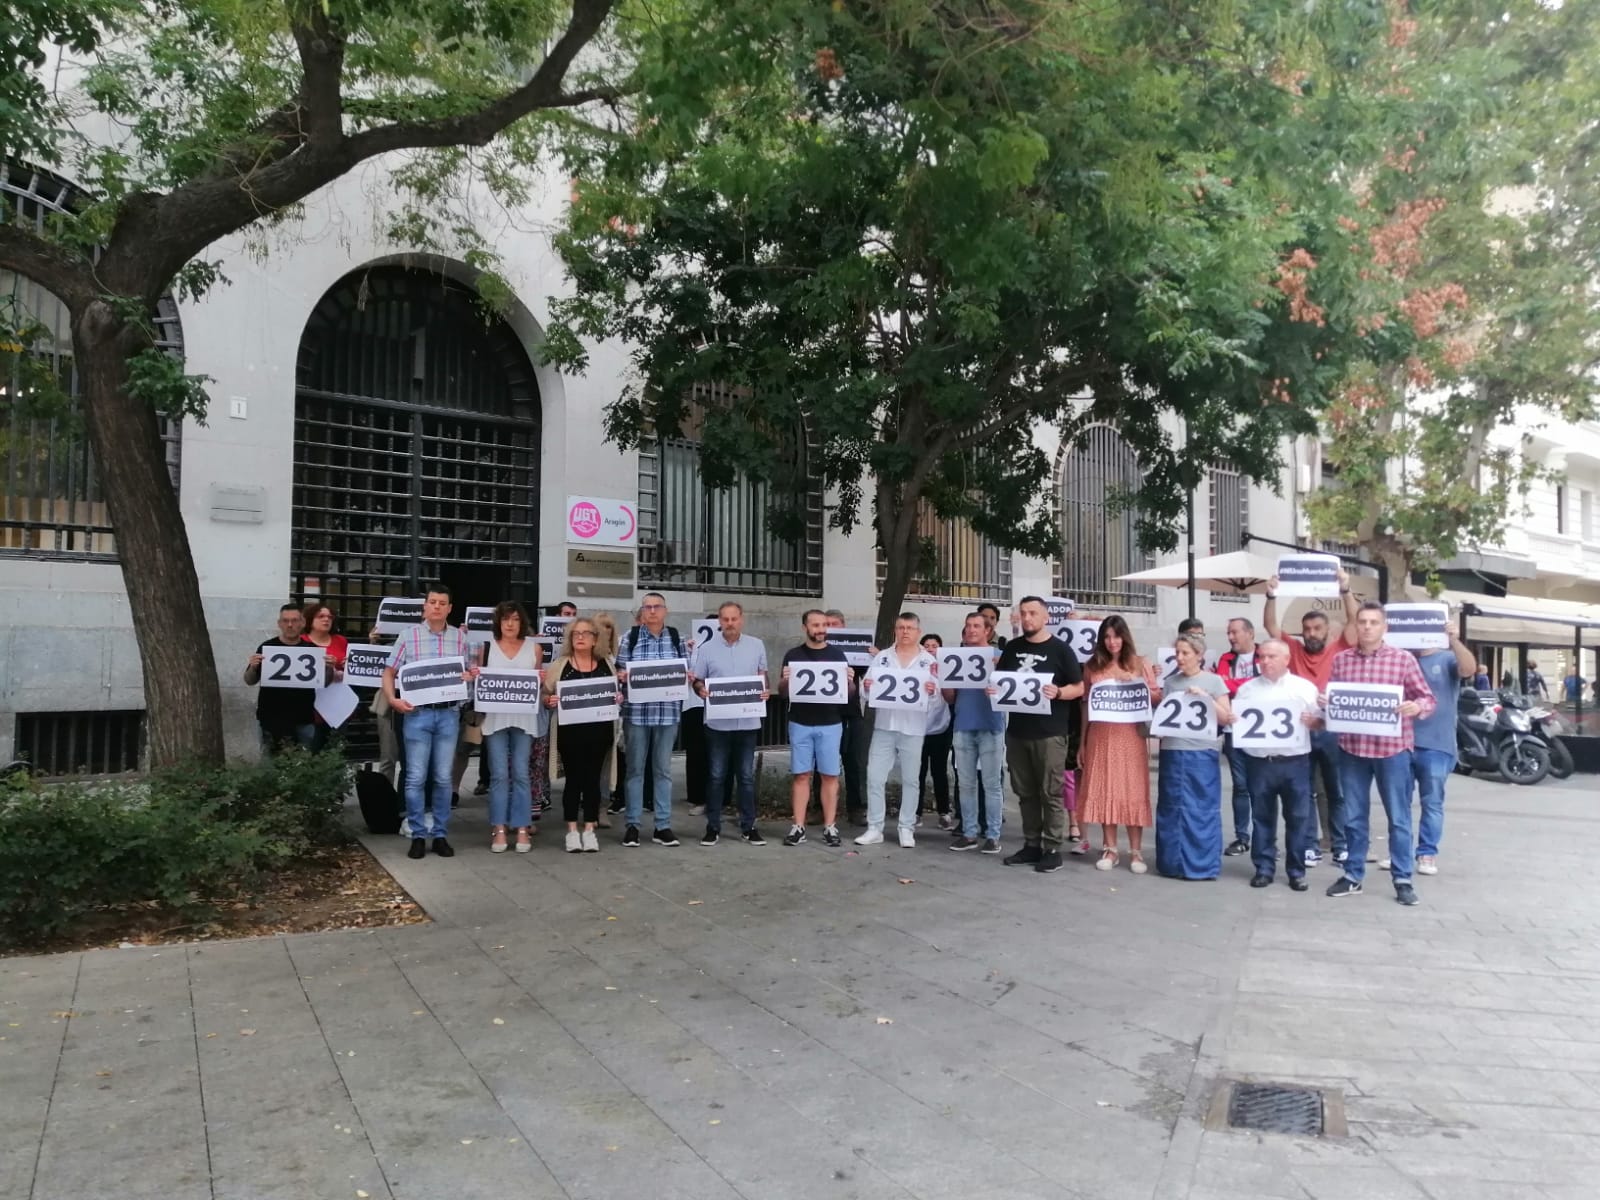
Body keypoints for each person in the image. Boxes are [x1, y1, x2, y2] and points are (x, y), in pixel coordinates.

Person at [1320, 601, 1438, 905]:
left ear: (1384, 627)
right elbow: (1337, 701)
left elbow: (1427, 698)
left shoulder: (1403, 660)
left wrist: (1417, 707)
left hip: (1392, 750)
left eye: (1374, 622)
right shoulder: (1342, 661)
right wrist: (1326, 703)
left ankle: (1402, 878)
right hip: (1353, 748)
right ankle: (1353, 875)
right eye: (1363, 622)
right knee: (1354, 816)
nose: (1367, 627)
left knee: (1398, 817)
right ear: (1356, 626)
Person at [1263, 566, 1360, 866]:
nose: (1311, 634)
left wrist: (1345, 590)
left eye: (1317, 629)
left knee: (1335, 790)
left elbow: (1355, 621)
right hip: (1300, 729)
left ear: (1327, 631)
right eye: (1307, 629)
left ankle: (1340, 843)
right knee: (1304, 791)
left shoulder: (1339, 647)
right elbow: (1270, 627)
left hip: (1332, 729)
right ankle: (1309, 845)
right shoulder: (1292, 649)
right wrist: (1271, 594)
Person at [381, 583, 478, 860]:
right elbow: (389, 672)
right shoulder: (408, 636)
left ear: (449, 608)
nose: (436, 606)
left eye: (442, 603)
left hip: (448, 714)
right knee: (415, 777)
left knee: (443, 778)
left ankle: (440, 834)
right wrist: (393, 699)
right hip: (416, 714)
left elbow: (468, 673)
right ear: (425, 606)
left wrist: (469, 678)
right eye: (432, 602)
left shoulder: (461, 639)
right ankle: (417, 834)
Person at [994, 596, 1085, 872]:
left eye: (1033, 613)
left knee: (1051, 792)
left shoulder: (1061, 650)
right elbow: (1002, 682)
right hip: (1019, 732)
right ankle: (1031, 844)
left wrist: (1059, 692)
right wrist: (994, 690)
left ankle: (1052, 847)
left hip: (1050, 734)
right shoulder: (1012, 648)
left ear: (1046, 618)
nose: (1027, 618)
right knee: (1025, 792)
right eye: (1023, 613)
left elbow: (1079, 687)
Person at [1381, 623, 1475, 877]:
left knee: (1431, 802)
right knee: (1398, 802)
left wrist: (1454, 640)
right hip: (1401, 742)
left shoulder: (1446, 658)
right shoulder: (1402, 658)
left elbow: (1468, 669)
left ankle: (1426, 852)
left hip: (1437, 744)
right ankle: (1399, 853)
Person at [1233, 639, 1320, 891]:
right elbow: (1237, 724)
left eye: (1271, 656)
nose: (1265, 661)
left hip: (1295, 762)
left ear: (1286, 659)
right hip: (1260, 762)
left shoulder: (1303, 688)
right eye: (1262, 657)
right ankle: (1263, 868)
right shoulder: (1247, 689)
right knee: (1261, 817)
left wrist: (1313, 722)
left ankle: (1296, 870)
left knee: (1298, 818)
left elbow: (1320, 723)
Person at [1078, 615, 1160, 874]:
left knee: (1132, 789)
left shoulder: (1140, 663)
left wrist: (1142, 687)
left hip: (1131, 735)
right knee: (1105, 788)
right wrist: (1082, 741)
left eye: (1116, 635)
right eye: (1107, 636)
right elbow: (1085, 706)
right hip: (1101, 735)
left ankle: (1136, 851)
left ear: (1125, 637)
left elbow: (1157, 696)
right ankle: (1110, 848)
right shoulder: (1092, 666)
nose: (1112, 642)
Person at [1155, 632, 1233, 880]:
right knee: (1171, 807)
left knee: (1201, 809)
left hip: (1201, 752)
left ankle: (1202, 864)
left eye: (1185, 653)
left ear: (1199, 655)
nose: (1179, 657)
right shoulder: (1170, 682)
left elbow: (1227, 718)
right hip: (1173, 751)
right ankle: (1171, 862)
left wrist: (1206, 698)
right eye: (1177, 652)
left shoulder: (1214, 682)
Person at [692, 601, 771, 846]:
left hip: (747, 722)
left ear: (741, 619)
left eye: (733, 618)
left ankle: (749, 827)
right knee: (716, 776)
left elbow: (763, 676)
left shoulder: (756, 645)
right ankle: (713, 827)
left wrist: (765, 690)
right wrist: (700, 690)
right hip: (718, 724)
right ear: (719, 621)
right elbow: (697, 681)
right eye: (725, 619)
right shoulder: (706, 649)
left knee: (746, 777)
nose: (729, 623)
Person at [857, 613, 939, 847]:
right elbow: (866, 692)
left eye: (910, 628)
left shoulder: (928, 660)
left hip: (913, 728)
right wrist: (866, 686)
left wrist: (932, 691)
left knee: (911, 780)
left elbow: (936, 700)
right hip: (885, 726)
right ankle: (875, 827)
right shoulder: (882, 657)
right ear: (895, 630)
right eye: (901, 627)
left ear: (918, 632)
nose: (905, 632)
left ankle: (906, 827)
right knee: (874, 777)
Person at [615, 592, 689, 848]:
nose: (653, 611)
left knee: (663, 771)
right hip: (636, 714)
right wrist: (622, 676)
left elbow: (686, 671)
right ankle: (633, 825)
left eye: (657, 607)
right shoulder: (629, 639)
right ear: (642, 612)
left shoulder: (677, 639)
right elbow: (618, 671)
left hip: (667, 713)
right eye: (648, 607)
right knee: (635, 770)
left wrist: (687, 677)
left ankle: (663, 826)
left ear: (665, 611)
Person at [779, 609, 855, 847]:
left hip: (831, 723)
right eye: (815, 625)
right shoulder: (793, 655)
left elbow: (848, 695)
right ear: (805, 627)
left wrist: (851, 682)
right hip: (800, 722)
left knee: (830, 775)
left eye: (823, 625)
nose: (820, 629)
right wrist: (784, 680)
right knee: (801, 775)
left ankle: (830, 826)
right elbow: (783, 693)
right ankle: (798, 825)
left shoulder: (837, 654)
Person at [543, 617, 619, 851]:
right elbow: (544, 694)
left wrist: (619, 698)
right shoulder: (561, 664)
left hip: (600, 733)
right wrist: (549, 700)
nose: (580, 637)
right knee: (574, 781)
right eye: (576, 633)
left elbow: (615, 692)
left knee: (593, 781)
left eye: (586, 633)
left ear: (596, 638)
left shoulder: (607, 663)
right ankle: (572, 831)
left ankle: (589, 830)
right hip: (570, 734)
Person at [481, 600, 541, 854]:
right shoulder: (487, 647)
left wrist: (542, 680)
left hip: (524, 719)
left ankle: (523, 827)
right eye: (505, 619)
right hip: (495, 718)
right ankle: (499, 828)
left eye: (515, 619)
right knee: (498, 775)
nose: (509, 624)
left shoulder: (534, 648)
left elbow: (538, 684)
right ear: (498, 622)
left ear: (522, 622)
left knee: (520, 773)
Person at [945, 612, 1006, 853]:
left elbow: (1011, 694)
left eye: (977, 626)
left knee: (992, 784)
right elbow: (950, 697)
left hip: (991, 726)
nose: (971, 630)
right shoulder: (955, 658)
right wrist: (944, 682)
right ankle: (969, 833)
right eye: (968, 625)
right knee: (967, 783)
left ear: (987, 631)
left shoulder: (999, 657)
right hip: (963, 725)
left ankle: (993, 835)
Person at [244, 603, 323, 755]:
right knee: (271, 763)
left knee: (303, 763)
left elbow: (324, 681)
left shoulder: (312, 650)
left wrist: (327, 668)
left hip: (303, 716)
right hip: (271, 716)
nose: (290, 625)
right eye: (285, 621)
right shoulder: (267, 647)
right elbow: (249, 680)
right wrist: (253, 667)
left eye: (294, 620)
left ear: (302, 623)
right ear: (279, 623)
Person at [1216, 616, 1260, 858]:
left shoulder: (1265, 654)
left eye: (1235, 632)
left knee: (1262, 787)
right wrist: (1245, 684)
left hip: (1263, 732)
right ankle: (1242, 837)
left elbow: (1265, 683)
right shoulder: (1225, 658)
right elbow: (1221, 686)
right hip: (1234, 731)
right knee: (1241, 786)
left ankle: (1265, 838)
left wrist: (1235, 684)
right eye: (1229, 633)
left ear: (1250, 633)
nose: (1230, 637)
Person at [824, 609, 869, 825]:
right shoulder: (819, 650)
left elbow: (869, 673)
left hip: (852, 713)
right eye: (827, 624)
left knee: (855, 762)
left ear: (844, 626)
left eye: (835, 624)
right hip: (824, 714)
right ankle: (819, 807)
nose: (831, 627)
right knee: (822, 764)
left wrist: (872, 655)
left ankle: (857, 807)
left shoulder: (858, 651)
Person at [917, 632, 954, 829]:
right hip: (918, 729)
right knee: (918, 772)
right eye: (927, 645)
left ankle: (944, 812)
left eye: (935, 645)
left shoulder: (947, 669)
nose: (931, 649)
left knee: (939, 771)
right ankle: (915, 813)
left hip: (941, 727)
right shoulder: (916, 667)